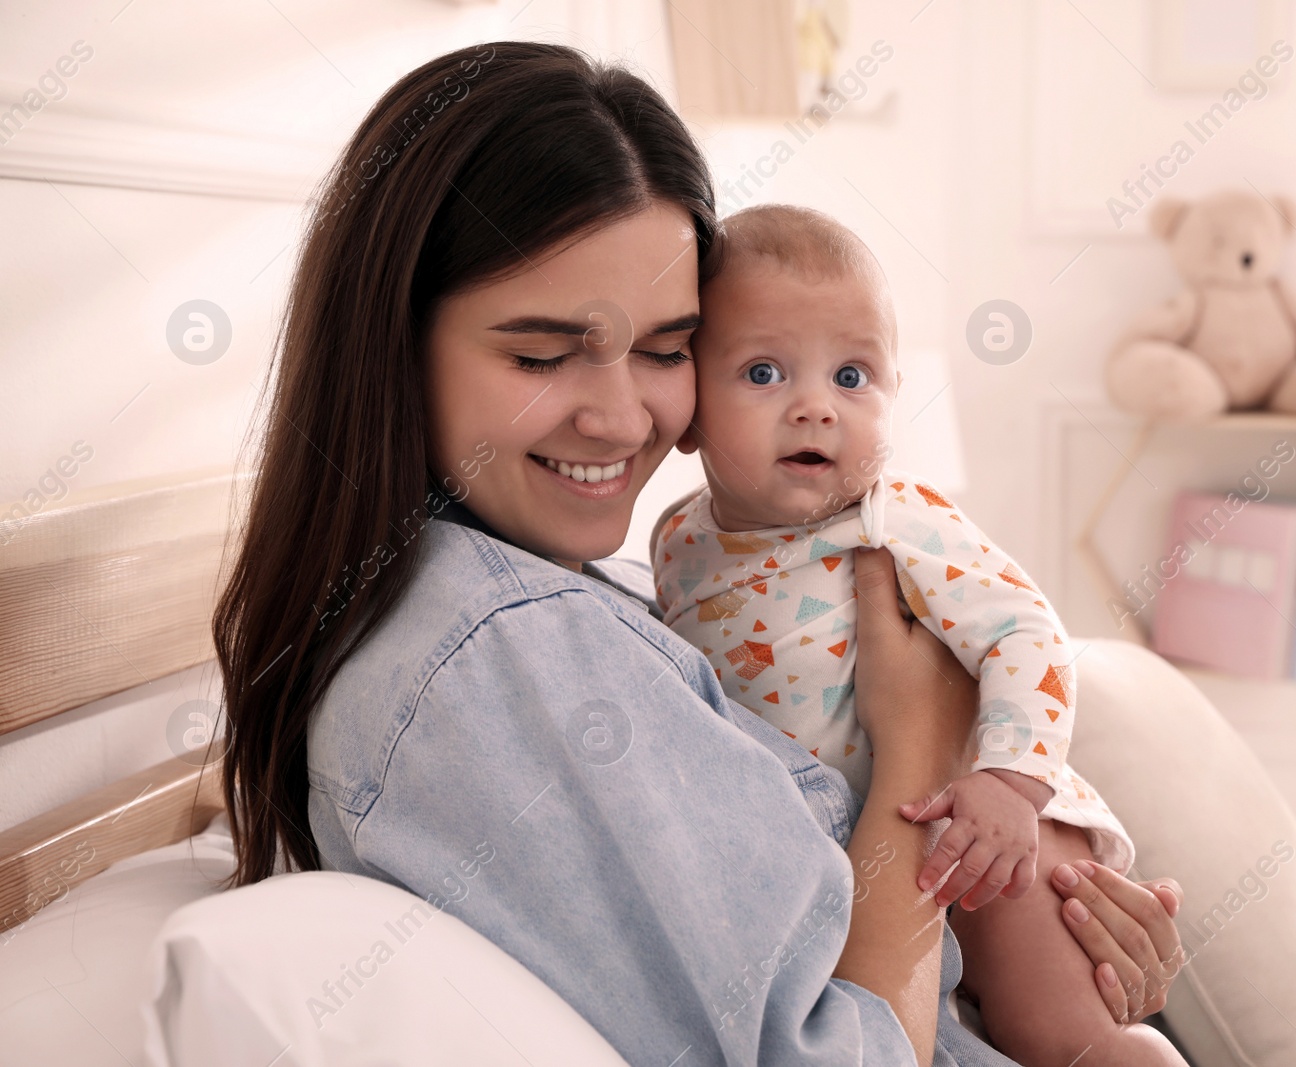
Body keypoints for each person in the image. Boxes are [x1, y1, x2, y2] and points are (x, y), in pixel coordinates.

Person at [212, 40, 1186, 1066]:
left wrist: (1042, 950)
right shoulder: (505, 653)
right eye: (541, 354)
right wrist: (925, 743)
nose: (624, 414)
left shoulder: (626, 582)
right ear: (390, 342)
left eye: (666, 348)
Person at [652, 204, 1184, 1065]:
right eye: (762, 372)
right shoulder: (679, 542)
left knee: (1062, 1039)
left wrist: (1011, 787)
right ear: (688, 408)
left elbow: (1026, 631)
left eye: (853, 376)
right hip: (879, 850)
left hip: (991, 825)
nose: (816, 408)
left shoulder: (896, 522)